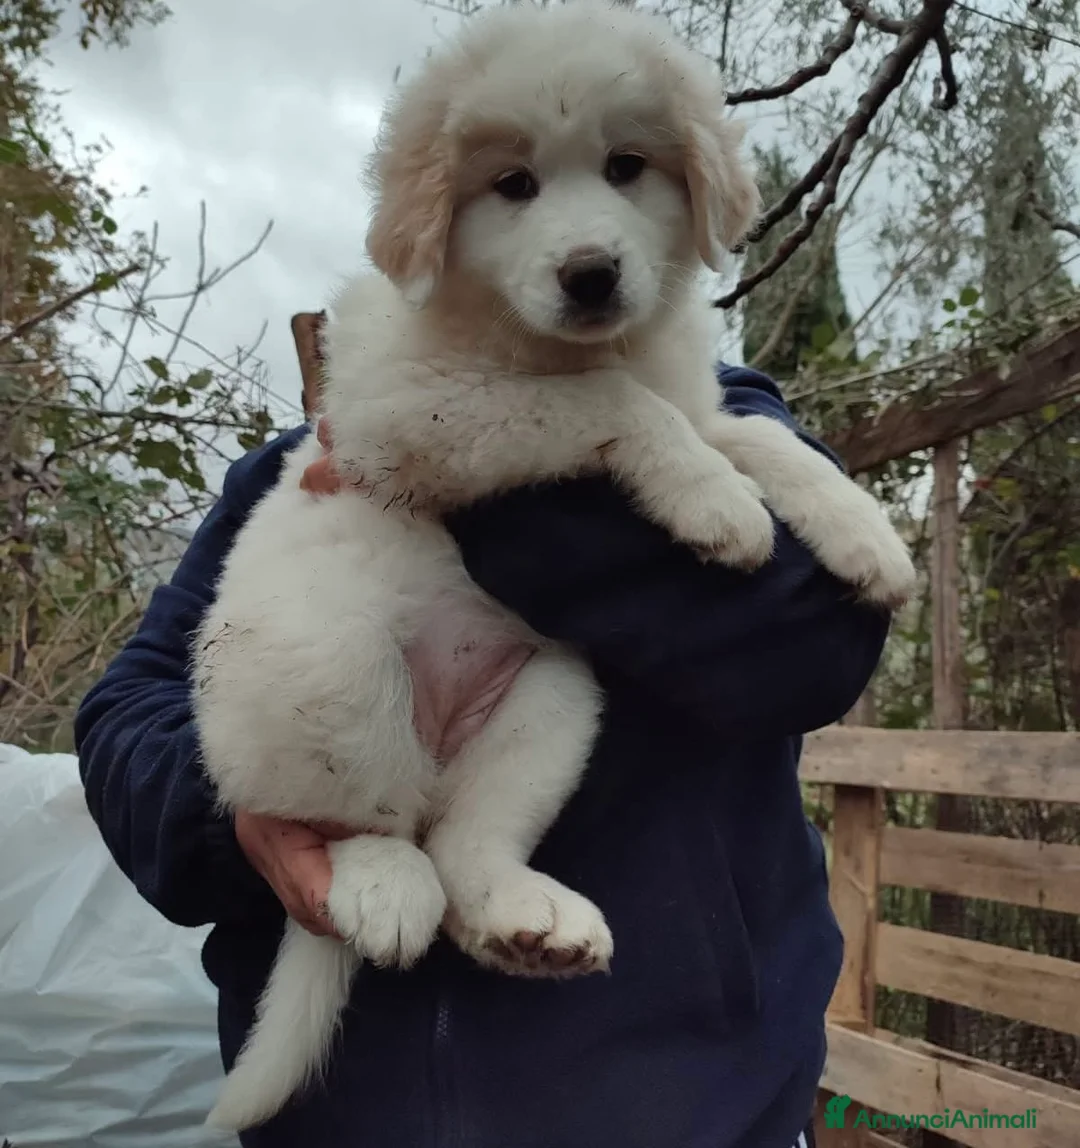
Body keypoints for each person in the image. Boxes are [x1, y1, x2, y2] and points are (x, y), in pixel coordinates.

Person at [75, 360, 889, 1148]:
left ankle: (480, 869)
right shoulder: (297, 465)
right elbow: (128, 711)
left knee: (558, 681)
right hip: (342, 1124)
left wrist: (476, 485)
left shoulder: (710, 407)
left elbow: (815, 644)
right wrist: (240, 814)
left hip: (686, 1112)